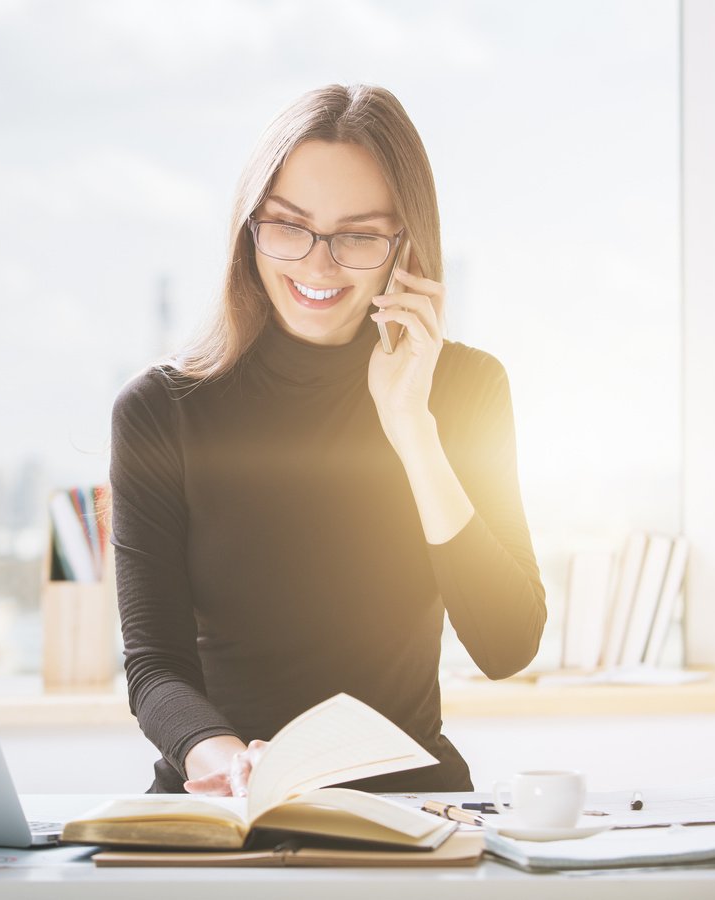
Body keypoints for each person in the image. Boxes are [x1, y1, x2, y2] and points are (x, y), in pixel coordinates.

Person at [109, 83, 546, 797]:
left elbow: (507, 645)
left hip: (405, 804)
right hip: (222, 801)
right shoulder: (161, 410)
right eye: (288, 226)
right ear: (250, 229)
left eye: (359, 235)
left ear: (406, 244)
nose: (317, 265)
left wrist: (411, 423)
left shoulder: (465, 388)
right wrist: (228, 763)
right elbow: (155, 665)